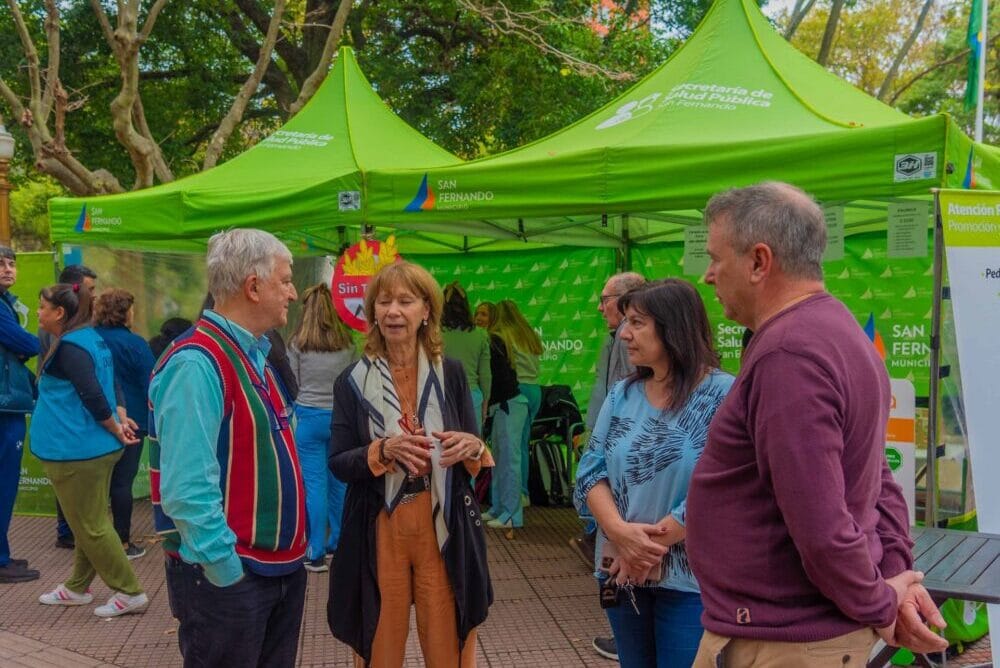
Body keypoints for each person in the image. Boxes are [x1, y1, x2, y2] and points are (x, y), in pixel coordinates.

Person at [687, 182, 948, 666]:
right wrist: (894, 576)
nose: (708, 276)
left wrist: (884, 603)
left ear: (759, 262)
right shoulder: (835, 331)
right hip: (792, 633)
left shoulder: (790, 352)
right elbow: (875, 479)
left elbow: (822, 527)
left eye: (715, 258)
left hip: (786, 643)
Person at [149, 229, 306, 667]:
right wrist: (226, 573)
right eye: (285, 280)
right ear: (253, 287)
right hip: (233, 577)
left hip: (271, 571)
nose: (292, 293)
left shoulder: (254, 356)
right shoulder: (198, 363)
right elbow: (185, 490)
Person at [327, 261, 494, 668]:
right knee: (381, 645)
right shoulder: (351, 380)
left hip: (442, 527)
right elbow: (338, 461)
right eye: (383, 302)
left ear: (426, 312)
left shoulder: (450, 374)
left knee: (446, 645)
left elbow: (474, 449)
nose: (392, 312)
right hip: (380, 527)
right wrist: (382, 451)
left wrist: (471, 446)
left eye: (405, 301)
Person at [574, 279, 734, 668]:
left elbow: (727, 488)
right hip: (620, 570)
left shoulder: (723, 395)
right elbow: (590, 472)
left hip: (688, 579)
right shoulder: (622, 394)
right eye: (625, 322)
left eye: (637, 323)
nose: (624, 334)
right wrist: (619, 533)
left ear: (673, 326)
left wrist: (645, 548)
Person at [30, 283, 148, 617]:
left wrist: (114, 424)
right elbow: (110, 386)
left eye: (41, 306)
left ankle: (130, 592)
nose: (37, 312)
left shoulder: (71, 346)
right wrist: (120, 418)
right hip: (87, 449)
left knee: (92, 526)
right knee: (88, 522)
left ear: (59, 313)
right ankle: (77, 587)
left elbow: (93, 393)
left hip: (76, 451)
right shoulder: (89, 338)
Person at [581, 271, 646, 662]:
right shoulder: (618, 336)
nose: (601, 306)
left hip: (623, 463)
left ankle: (626, 631)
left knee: (621, 550)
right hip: (607, 452)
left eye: (605, 298)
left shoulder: (626, 339)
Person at [288, 283, 358, 573]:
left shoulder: (297, 343)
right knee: (339, 484)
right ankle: (340, 545)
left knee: (313, 485)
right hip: (340, 419)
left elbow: (292, 382)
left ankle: (315, 551)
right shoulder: (349, 343)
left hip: (308, 418)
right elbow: (355, 382)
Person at [94, 289, 156, 560]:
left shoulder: (91, 339)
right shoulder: (136, 345)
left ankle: (93, 539)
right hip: (133, 420)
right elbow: (151, 384)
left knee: (98, 481)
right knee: (122, 482)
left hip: (97, 418)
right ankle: (122, 541)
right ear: (124, 312)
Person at [43, 264, 98, 551]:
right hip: (68, 418)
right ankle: (70, 530)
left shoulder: (79, 333)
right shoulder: (66, 336)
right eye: (90, 290)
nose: (94, 296)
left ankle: (73, 531)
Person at [0, 246, 41, 584]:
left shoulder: (6, 304)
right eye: (0, 263)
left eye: (11, 263)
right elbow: (27, 344)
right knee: (4, 483)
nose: (7, 269)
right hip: (4, 406)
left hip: (7, 402)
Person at [483, 303, 529, 531]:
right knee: (499, 460)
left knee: (509, 461)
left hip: (508, 405)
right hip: (506, 405)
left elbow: (499, 379)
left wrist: (486, 404)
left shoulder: (496, 340)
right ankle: (500, 507)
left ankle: (512, 514)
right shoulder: (500, 339)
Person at [494, 300, 543, 505]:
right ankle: (523, 492)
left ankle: (515, 496)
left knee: (509, 448)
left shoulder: (503, 335)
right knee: (522, 444)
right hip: (535, 390)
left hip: (517, 390)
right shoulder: (529, 333)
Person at [441, 281, 491, 429]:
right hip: (472, 396)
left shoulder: (434, 334)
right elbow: (485, 375)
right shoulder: (481, 334)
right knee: (472, 447)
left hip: (443, 396)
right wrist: (485, 404)